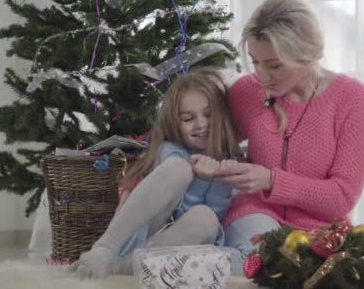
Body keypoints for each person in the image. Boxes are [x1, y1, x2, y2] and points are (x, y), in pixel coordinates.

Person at [217, 0, 364, 275]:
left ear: (306, 54)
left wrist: (271, 180)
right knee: (260, 262)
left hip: (322, 230)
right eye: (256, 62)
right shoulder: (246, 92)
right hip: (254, 213)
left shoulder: (354, 99)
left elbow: (342, 197)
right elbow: (202, 136)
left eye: (275, 65)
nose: (263, 75)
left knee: (298, 272)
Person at [71, 68, 244, 279]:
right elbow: (172, 214)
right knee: (180, 168)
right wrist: (196, 178)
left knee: (207, 217)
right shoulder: (170, 150)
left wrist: (205, 180)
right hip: (150, 230)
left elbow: (203, 222)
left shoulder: (228, 162)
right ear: (174, 123)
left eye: (208, 115)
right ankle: (105, 248)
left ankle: (125, 267)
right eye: (188, 118)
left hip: (173, 245)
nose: (201, 124)